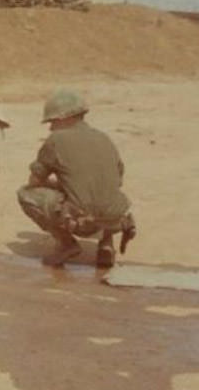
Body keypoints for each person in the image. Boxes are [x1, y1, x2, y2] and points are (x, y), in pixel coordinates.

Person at [17, 87, 136, 267]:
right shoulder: (104, 138)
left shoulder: (56, 140)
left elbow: (34, 182)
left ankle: (67, 244)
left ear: (65, 118)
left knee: (26, 194)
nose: (51, 127)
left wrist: (59, 185)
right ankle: (106, 244)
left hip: (83, 221)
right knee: (102, 193)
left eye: (53, 121)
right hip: (117, 218)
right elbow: (117, 180)